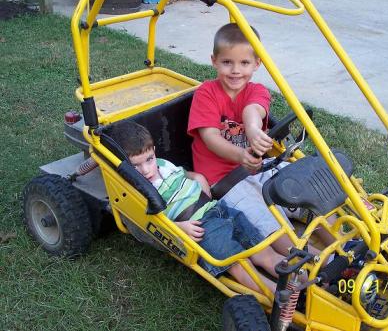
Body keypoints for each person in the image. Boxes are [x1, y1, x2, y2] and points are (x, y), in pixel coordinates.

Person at [188, 23, 335, 256]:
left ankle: (343, 245)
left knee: (309, 187)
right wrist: (240, 155)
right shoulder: (206, 93)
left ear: (257, 63)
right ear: (214, 61)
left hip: (260, 167)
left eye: (244, 63)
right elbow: (210, 137)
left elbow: (252, 111)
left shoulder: (258, 91)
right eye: (227, 62)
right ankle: (318, 262)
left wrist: (254, 130)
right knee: (267, 223)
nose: (236, 70)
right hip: (224, 182)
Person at [107, 120, 285, 293]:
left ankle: (301, 278)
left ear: (154, 151)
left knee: (262, 250)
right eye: (135, 166)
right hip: (199, 227)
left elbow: (185, 175)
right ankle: (277, 295)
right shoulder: (137, 189)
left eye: (149, 159)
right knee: (238, 264)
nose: (146, 170)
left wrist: (198, 178)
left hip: (219, 209)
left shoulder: (162, 164)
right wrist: (178, 229)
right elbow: (146, 224)